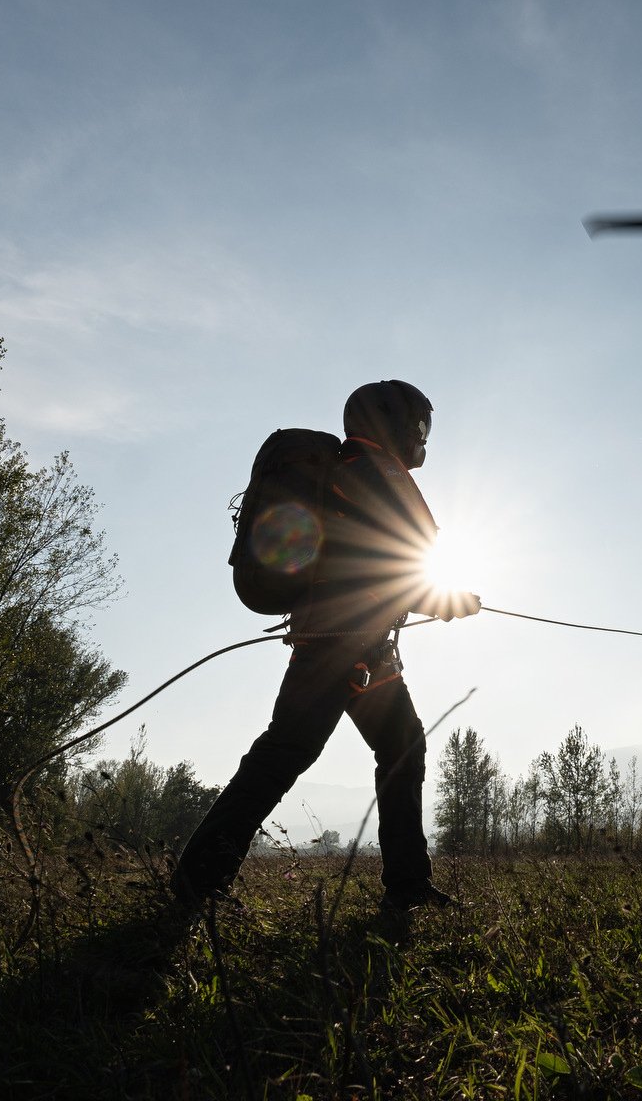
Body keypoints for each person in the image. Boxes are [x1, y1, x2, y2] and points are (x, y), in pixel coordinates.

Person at [173, 380, 480, 910]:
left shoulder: (358, 470)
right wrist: (446, 600)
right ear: (391, 422)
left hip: (358, 642)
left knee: (400, 746)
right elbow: (392, 561)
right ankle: (198, 882)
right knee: (288, 751)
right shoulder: (374, 470)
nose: (423, 437)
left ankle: (408, 886)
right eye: (419, 425)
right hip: (339, 643)